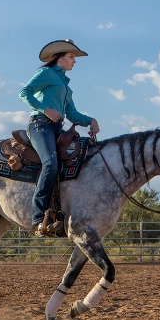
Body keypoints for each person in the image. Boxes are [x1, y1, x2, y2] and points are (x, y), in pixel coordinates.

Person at [19, 39, 100, 237]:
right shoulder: (46, 73)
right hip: (39, 125)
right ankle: (38, 217)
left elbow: (72, 114)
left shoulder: (65, 86)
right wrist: (45, 109)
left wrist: (91, 120)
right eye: (72, 57)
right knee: (51, 163)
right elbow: (24, 92)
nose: (75, 61)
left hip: (56, 128)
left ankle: (60, 214)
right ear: (60, 57)